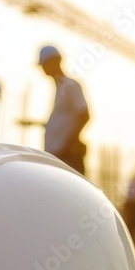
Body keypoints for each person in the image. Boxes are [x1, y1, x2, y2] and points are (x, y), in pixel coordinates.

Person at [36, 45, 90, 174]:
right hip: (57, 155)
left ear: (55, 61)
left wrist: (68, 145)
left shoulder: (71, 86)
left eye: (45, 64)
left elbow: (84, 115)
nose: (43, 69)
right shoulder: (60, 89)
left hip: (67, 157)